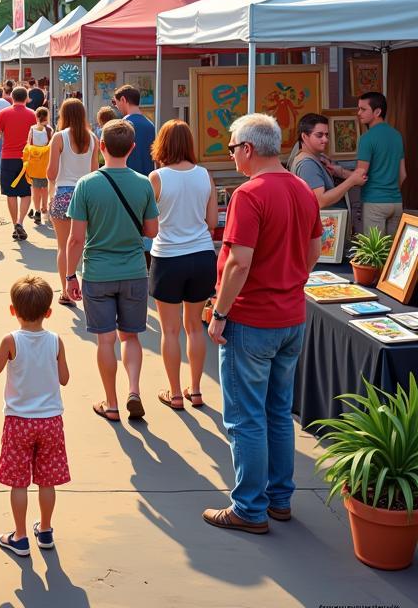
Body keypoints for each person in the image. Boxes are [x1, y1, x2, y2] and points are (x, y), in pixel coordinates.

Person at [203, 114, 322, 535]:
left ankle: (249, 508)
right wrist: (290, 279)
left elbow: (238, 261)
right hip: (290, 315)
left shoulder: (249, 194)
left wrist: (220, 313)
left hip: (252, 318)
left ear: (249, 149)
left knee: (245, 417)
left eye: (233, 147)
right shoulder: (302, 189)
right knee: (276, 412)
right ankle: (279, 499)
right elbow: (314, 248)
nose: (232, 154)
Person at [65, 119, 159, 422]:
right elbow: (152, 231)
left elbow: (76, 238)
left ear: (101, 147)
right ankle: (134, 389)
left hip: (98, 272)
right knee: (130, 337)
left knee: (105, 340)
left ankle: (112, 402)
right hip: (133, 270)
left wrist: (70, 275)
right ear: (132, 148)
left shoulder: (87, 185)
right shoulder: (143, 183)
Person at [0, 275, 69, 557]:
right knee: (47, 479)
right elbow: (64, 379)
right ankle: (47, 530)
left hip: (18, 421)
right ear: (48, 312)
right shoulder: (55, 341)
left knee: (19, 482)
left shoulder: (11, 341)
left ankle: (20, 535)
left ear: (13, 310)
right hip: (51, 421)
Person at [148, 120, 218, 411]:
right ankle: (197, 389)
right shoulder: (205, 175)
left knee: (170, 330)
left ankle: (176, 393)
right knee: (195, 328)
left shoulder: (157, 177)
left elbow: (149, 225)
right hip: (202, 255)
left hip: (168, 257)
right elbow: (212, 224)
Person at [47, 98, 98, 305]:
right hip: (87, 195)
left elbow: (51, 173)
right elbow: (95, 172)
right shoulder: (93, 138)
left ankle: (67, 291)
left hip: (64, 194)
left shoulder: (59, 138)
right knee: (85, 244)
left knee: (63, 246)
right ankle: (88, 288)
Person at [0, 87, 37, 242]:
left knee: (11, 193)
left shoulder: (4, 113)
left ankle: (14, 223)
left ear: (12, 98)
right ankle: (20, 222)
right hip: (26, 159)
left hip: (7, 157)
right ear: (26, 98)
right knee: (26, 192)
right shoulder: (32, 115)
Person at [291, 114, 366, 212]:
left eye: (326, 135)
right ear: (304, 136)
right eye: (319, 135)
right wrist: (351, 181)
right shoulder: (307, 165)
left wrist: (340, 172)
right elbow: (321, 201)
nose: (325, 140)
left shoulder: (317, 159)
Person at [356, 91, 406, 237]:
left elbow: (360, 175)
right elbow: (403, 174)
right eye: (359, 108)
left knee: (374, 255)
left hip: (374, 203)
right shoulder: (397, 136)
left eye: (363, 109)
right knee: (392, 255)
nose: (359, 113)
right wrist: (391, 193)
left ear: (377, 111)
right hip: (396, 203)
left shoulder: (367, 138)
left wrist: (338, 171)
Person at [113, 84, 155, 176]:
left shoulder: (122, 125)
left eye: (116, 103)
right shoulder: (151, 125)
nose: (117, 107)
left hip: (126, 179)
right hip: (148, 180)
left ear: (123, 99)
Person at [24, 107, 53, 226]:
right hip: (46, 163)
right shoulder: (49, 129)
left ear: (36, 116)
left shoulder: (32, 129)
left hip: (34, 163)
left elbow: (29, 144)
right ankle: (44, 207)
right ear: (47, 117)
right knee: (45, 188)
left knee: (35, 189)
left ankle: (36, 211)